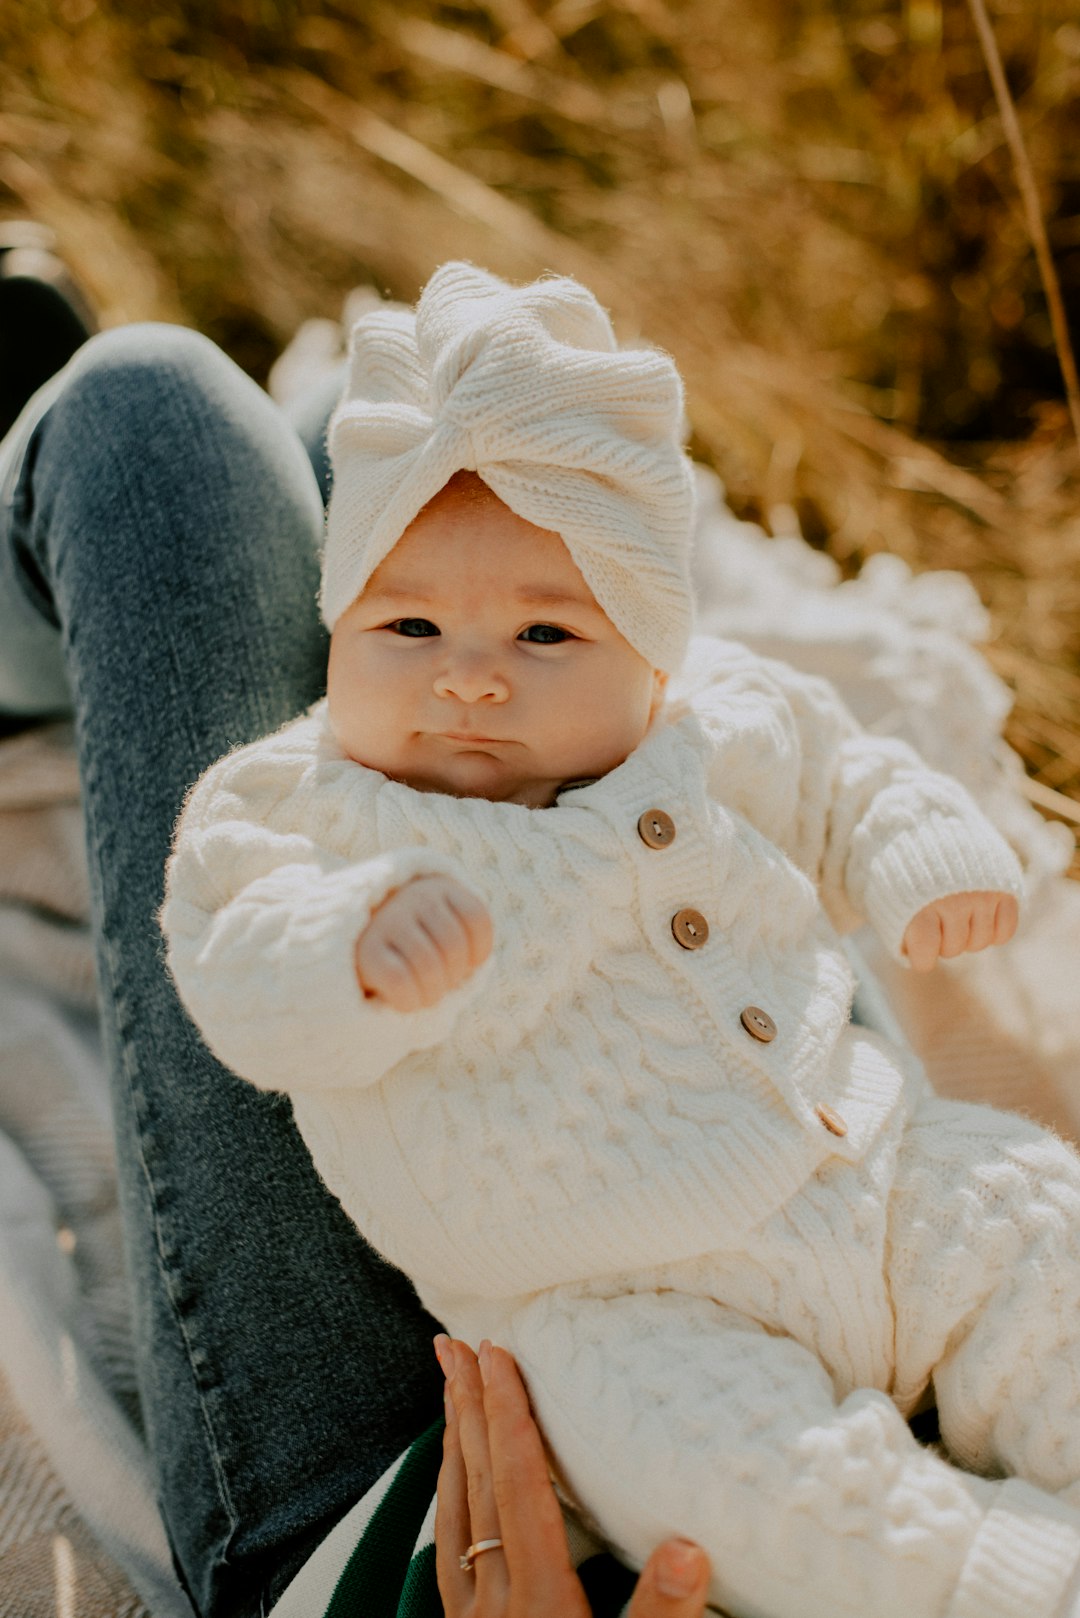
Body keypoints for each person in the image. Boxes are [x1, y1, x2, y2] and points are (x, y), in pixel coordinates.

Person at [157, 260, 1080, 1618]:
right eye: (403, 625)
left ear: (653, 661)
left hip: (878, 1181)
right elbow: (230, 954)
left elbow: (840, 774)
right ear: (339, 634)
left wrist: (909, 846)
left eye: (547, 631)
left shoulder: (705, 717)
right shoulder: (302, 805)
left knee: (1031, 1214)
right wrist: (343, 950)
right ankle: (993, 1578)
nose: (469, 673)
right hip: (619, 1297)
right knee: (699, 1455)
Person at [0, 236, 714, 1618]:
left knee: (149, 428)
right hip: (790, 1303)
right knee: (405, 479)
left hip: (409, 1512)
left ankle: (26, 600)